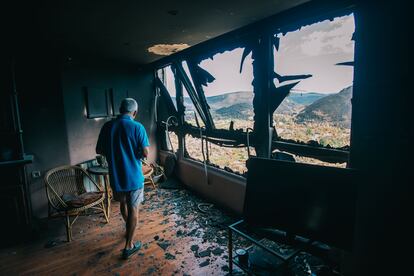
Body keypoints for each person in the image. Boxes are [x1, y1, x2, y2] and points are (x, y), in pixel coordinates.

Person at [96, 98, 150, 259]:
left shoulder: (108, 126)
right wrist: (136, 153)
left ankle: (129, 229)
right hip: (133, 176)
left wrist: (115, 154)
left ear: (120, 110)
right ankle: (129, 245)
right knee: (134, 209)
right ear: (135, 112)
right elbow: (146, 153)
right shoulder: (137, 127)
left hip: (116, 176)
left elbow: (99, 149)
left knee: (123, 204)